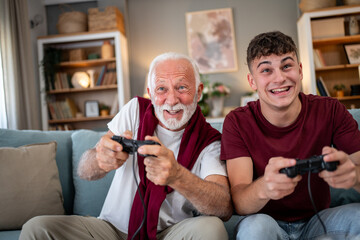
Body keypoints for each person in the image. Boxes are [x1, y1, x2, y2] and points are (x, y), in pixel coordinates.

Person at [20, 52, 232, 240]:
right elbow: (85, 170)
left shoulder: (210, 140)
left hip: (170, 233)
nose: (171, 99)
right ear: (150, 92)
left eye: (182, 87)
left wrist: (178, 176)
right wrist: (99, 159)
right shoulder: (135, 110)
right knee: (37, 228)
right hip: (110, 230)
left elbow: (223, 207)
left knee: (212, 229)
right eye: (161, 89)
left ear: (199, 91)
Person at [221, 31, 360, 240]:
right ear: (252, 81)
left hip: (319, 220)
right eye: (266, 70)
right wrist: (264, 187)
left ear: (300, 70)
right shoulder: (237, 121)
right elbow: (239, 201)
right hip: (266, 222)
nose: (280, 78)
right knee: (254, 229)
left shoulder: (330, 110)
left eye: (287, 66)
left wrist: (354, 176)